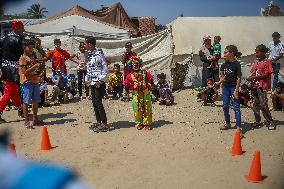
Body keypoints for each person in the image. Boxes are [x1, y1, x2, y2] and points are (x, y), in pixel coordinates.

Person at [0, 20, 24, 123]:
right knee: (9, 92)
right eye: (21, 28)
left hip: (5, 66)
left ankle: (20, 109)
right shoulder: (18, 39)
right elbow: (22, 55)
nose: (23, 29)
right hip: (14, 68)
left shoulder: (3, 38)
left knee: (14, 91)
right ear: (16, 28)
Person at [247, 44, 276, 130]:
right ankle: (257, 121)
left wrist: (254, 77)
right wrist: (250, 78)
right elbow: (253, 71)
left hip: (262, 86)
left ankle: (270, 121)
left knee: (263, 104)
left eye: (258, 52)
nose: (256, 54)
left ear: (264, 52)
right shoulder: (256, 61)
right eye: (255, 52)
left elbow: (266, 75)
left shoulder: (267, 62)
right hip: (254, 85)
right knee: (255, 104)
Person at [84, 36, 109, 132]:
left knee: (98, 102)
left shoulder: (99, 54)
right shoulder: (89, 55)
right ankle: (99, 122)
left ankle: (105, 123)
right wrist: (87, 79)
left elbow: (105, 68)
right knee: (94, 102)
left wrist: (100, 80)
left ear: (90, 44)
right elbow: (89, 69)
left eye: (86, 43)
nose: (85, 45)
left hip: (99, 82)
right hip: (92, 82)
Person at [215, 45, 242, 131]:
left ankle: (238, 128)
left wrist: (236, 91)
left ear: (232, 53)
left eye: (226, 52)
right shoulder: (223, 65)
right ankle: (228, 123)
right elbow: (223, 77)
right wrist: (219, 82)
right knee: (225, 106)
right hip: (225, 87)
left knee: (236, 107)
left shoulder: (237, 64)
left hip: (233, 87)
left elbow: (238, 78)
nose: (224, 53)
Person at [19, 39, 44, 129]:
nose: (31, 49)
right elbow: (24, 72)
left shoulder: (32, 56)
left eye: (32, 48)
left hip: (35, 81)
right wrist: (35, 66)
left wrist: (39, 72)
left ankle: (35, 118)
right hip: (27, 82)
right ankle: (26, 121)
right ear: (24, 48)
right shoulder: (23, 58)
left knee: (35, 101)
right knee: (26, 101)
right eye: (29, 48)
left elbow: (35, 67)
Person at [124, 55, 154, 130]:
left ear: (140, 64)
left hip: (145, 93)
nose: (135, 65)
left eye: (137, 63)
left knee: (147, 108)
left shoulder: (145, 73)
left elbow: (151, 79)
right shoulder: (129, 76)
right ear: (131, 65)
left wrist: (152, 85)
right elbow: (126, 85)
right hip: (136, 94)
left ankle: (147, 123)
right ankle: (139, 123)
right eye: (134, 63)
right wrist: (127, 92)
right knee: (137, 108)